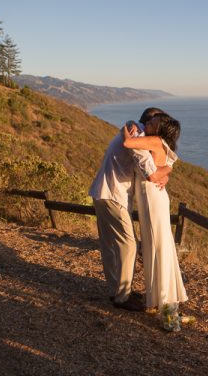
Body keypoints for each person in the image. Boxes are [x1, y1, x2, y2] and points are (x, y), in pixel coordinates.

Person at [89, 107, 172, 311]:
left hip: (102, 191)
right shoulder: (138, 135)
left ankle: (116, 291)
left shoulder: (132, 129)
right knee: (128, 244)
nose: (159, 129)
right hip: (113, 194)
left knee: (110, 245)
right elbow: (150, 174)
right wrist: (167, 171)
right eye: (158, 123)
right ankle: (122, 297)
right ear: (150, 122)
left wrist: (165, 174)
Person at [122, 113, 188, 328]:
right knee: (159, 246)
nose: (147, 124)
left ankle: (164, 303)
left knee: (157, 247)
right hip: (153, 197)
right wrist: (166, 172)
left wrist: (129, 125)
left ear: (160, 131)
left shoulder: (155, 140)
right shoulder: (163, 144)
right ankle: (163, 300)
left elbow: (127, 142)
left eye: (152, 124)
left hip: (151, 198)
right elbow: (167, 166)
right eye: (149, 122)